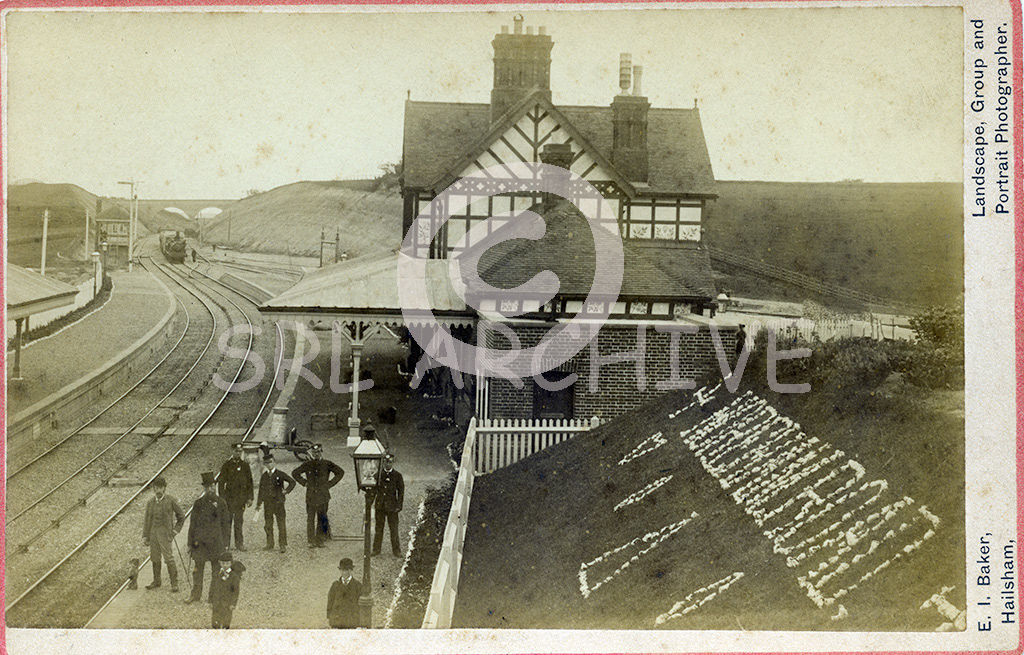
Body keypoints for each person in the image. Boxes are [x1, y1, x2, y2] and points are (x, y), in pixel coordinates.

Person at [186, 472, 230, 604]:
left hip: (216, 543)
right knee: (197, 571)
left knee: (216, 571)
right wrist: (189, 543)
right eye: (208, 487)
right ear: (204, 488)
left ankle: (212, 597)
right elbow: (192, 524)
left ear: (215, 486)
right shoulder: (198, 503)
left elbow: (226, 524)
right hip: (200, 543)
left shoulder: (221, 503)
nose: (211, 489)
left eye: (212, 486)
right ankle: (195, 595)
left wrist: (226, 543)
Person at [293, 444, 345, 548]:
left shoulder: (327, 464)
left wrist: (329, 484)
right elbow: (295, 473)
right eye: (314, 452)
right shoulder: (308, 464)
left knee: (322, 517)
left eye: (318, 452)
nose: (316, 454)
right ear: (312, 453)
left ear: (321, 452)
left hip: (323, 495)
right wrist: (304, 483)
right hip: (311, 496)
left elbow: (340, 472)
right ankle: (311, 540)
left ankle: (320, 539)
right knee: (310, 518)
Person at [142, 476, 185, 592]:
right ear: (153, 489)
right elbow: (147, 520)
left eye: (161, 488)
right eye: (156, 488)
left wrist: (175, 530)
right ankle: (157, 581)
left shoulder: (170, 500)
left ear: (164, 488)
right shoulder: (150, 502)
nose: (158, 490)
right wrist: (145, 536)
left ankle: (174, 583)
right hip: (153, 535)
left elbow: (181, 516)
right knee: (155, 558)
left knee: (169, 558)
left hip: (165, 535)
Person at [256, 453, 295, 553]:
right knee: (268, 524)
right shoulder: (264, 476)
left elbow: (292, 482)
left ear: (274, 462)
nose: (269, 465)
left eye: (270, 462)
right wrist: (259, 503)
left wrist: (286, 491)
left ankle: (282, 545)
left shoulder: (280, 474)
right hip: (268, 504)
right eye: (266, 463)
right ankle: (270, 544)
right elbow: (261, 490)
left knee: (281, 524)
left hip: (279, 503)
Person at [218, 443, 254, 551]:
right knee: (227, 522)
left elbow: (250, 483)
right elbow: (221, 483)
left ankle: (239, 544)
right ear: (232, 452)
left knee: (239, 522)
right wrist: (222, 498)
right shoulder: (226, 465)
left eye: (240, 451)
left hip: (240, 500)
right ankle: (226, 544)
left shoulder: (245, 465)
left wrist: (250, 498)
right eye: (236, 451)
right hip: (229, 500)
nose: (238, 453)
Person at [372, 452, 405, 557]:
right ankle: (376, 550)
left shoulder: (397, 476)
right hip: (380, 506)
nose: (387, 464)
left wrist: (399, 506)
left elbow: (401, 491)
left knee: (394, 529)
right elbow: (373, 490)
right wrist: (370, 502)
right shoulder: (377, 475)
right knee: (379, 529)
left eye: (390, 462)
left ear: (392, 463)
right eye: (386, 462)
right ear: (383, 463)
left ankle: (396, 551)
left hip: (392, 507)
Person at [210, 550, 246, 629]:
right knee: (215, 621)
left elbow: (236, 592)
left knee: (226, 621)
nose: (225, 565)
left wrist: (233, 604)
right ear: (220, 563)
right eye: (223, 563)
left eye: (227, 563)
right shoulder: (217, 574)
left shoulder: (234, 577)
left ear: (231, 563)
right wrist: (210, 599)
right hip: (217, 602)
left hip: (227, 604)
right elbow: (212, 587)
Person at [326, 558, 361, 629]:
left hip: (351, 621)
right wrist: (330, 617)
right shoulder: (335, 585)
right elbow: (330, 601)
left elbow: (359, 604)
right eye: (343, 570)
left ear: (351, 570)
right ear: (340, 570)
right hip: (337, 620)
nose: (345, 573)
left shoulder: (357, 585)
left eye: (347, 570)